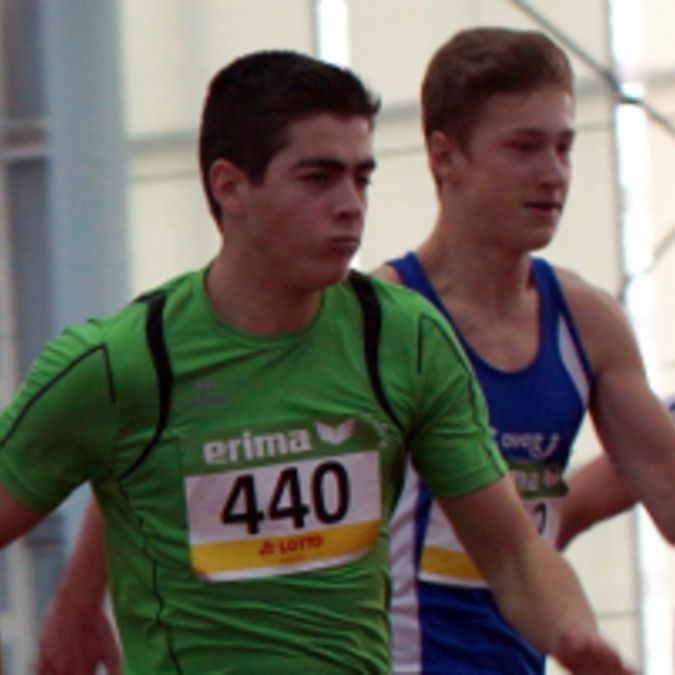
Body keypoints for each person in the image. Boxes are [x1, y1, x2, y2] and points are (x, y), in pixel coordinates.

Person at [0, 49, 633, 675]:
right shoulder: (120, 364)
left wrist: (576, 637)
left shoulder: (402, 338)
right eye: (318, 178)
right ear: (230, 186)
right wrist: (78, 600)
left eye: (362, 178)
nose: (350, 204)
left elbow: (515, 554)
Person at [375, 27, 675, 675]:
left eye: (564, 147)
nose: (552, 174)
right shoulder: (378, 320)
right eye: (524, 147)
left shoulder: (586, 322)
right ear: (444, 156)